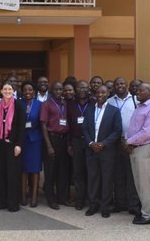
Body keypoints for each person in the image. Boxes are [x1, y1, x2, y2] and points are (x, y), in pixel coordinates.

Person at [123, 83, 150, 225]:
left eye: (140, 90)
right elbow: (133, 127)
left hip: (145, 149)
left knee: (145, 183)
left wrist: (129, 141)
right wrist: (127, 139)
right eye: (137, 90)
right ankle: (145, 211)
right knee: (139, 182)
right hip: (135, 148)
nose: (136, 92)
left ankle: (149, 215)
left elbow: (147, 132)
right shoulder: (140, 107)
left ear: (149, 93)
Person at [83, 85, 122, 218]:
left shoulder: (114, 111)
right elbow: (85, 129)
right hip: (91, 150)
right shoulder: (89, 110)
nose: (100, 95)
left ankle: (105, 206)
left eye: (103, 92)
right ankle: (93, 205)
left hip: (107, 151)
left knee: (107, 179)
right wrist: (91, 143)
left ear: (108, 94)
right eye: (98, 92)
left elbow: (117, 131)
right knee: (93, 178)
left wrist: (103, 144)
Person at [107, 77, 140, 216]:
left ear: (127, 85)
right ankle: (120, 203)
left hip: (130, 142)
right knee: (117, 174)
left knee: (131, 174)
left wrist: (132, 140)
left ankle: (132, 204)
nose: (119, 86)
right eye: (117, 84)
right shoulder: (110, 101)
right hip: (114, 142)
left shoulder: (135, 100)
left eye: (122, 83)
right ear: (114, 86)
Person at [0, 82, 25, 212]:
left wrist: (19, 144)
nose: (7, 91)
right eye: (5, 89)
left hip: (13, 145)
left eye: (10, 89)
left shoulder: (19, 106)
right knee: (0, 173)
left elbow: (22, 128)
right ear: (1, 91)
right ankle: (1, 202)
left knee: (12, 174)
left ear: (13, 91)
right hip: (0, 144)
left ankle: (13, 204)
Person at [40, 81, 70, 210]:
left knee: (62, 171)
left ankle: (62, 198)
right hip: (52, 139)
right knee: (51, 171)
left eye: (61, 89)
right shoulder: (46, 104)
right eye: (56, 90)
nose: (59, 92)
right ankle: (51, 199)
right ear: (51, 91)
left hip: (63, 140)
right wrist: (49, 146)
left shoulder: (65, 103)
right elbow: (43, 125)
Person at [66, 80, 90, 210]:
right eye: (79, 88)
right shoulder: (70, 104)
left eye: (84, 87)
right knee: (77, 171)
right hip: (76, 141)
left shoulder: (93, 103)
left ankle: (90, 198)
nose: (82, 90)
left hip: (90, 141)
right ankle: (80, 199)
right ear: (76, 90)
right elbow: (68, 125)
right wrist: (69, 143)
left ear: (88, 89)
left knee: (91, 170)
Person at [20, 81, 43, 208]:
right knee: (23, 169)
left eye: (30, 90)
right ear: (22, 92)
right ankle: (23, 195)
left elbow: (42, 123)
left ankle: (34, 196)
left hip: (35, 140)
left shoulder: (40, 105)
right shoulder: (19, 103)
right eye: (25, 90)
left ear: (34, 92)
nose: (27, 92)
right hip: (22, 140)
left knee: (35, 169)